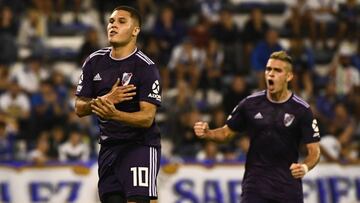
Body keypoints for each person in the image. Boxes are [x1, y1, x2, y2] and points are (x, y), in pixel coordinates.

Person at [194, 51, 321, 203]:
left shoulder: (302, 110)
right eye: (268, 69)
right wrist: (208, 133)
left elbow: (314, 151)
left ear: (289, 77)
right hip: (255, 186)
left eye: (277, 70)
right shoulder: (250, 104)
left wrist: (305, 167)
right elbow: (226, 133)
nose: (271, 74)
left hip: (288, 187)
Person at [74, 6, 162, 203]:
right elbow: (79, 107)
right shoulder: (93, 61)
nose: (113, 25)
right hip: (108, 148)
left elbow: (147, 118)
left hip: (139, 146)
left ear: (135, 30)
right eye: (111, 21)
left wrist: (114, 114)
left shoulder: (146, 67)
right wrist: (104, 101)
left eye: (122, 21)